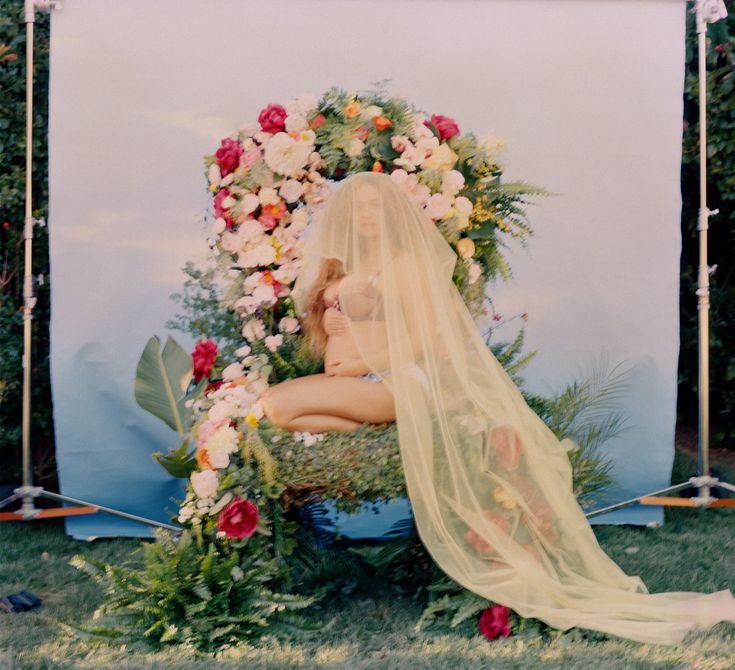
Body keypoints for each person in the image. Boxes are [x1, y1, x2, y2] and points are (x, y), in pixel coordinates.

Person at [261, 171, 735, 645]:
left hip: (393, 382)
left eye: (373, 205)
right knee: (279, 412)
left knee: (275, 405)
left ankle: (376, 415)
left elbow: (430, 338)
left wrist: (358, 364)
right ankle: (359, 422)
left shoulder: (401, 264)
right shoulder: (338, 268)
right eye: (357, 206)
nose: (365, 214)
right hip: (356, 387)